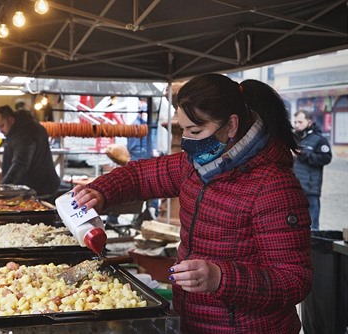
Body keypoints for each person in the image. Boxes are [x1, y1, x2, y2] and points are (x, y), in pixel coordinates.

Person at [72, 73, 312, 333]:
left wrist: (220, 278)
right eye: (183, 129)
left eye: (195, 131)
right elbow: (139, 176)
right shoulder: (195, 166)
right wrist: (101, 192)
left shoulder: (274, 186)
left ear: (231, 126)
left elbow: (293, 280)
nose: (186, 141)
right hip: (191, 321)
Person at [0, 105, 60, 199]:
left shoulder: (23, 133)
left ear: (11, 120)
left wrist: (5, 187)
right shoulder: (23, 127)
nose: (0, 131)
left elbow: (20, 163)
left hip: (38, 190)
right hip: (39, 187)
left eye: (2, 126)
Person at [293, 109, 332, 230]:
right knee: (294, 227)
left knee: (312, 227)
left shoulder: (319, 139)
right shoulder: (292, 138)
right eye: (295, 122)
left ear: (309, 122)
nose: (297, 125)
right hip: (293, 189)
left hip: (310, 189)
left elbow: (326, 158)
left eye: (300, 122)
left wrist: (304, 154)